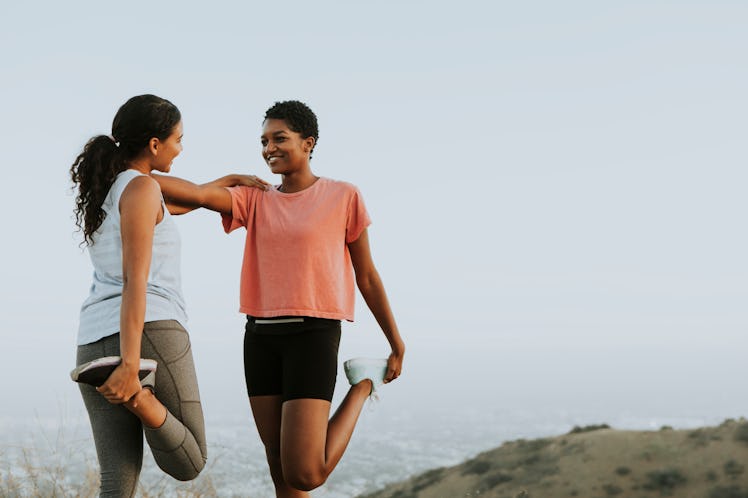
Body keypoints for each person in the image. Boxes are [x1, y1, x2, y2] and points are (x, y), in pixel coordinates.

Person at [155, 100, 406, 497]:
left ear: (309, 143)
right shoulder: (254, 198)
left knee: (306, 473)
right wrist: (228, 178)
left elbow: (368, 276)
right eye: (263, 141)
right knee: (281, 471)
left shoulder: (343, 196)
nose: (269, 147)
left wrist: (396, 342)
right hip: (260, 338)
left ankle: (362, 387)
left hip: (313, 334)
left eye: (279, 138)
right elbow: (172, 195)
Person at [69, 94, 269, 497]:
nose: (182, 147)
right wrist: (129, 367)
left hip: (91, 341)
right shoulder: (142, 189)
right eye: (178, 139)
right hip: (150, 330)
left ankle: (132, 389)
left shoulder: (113, 189)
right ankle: (138, 398)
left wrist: (228, 180)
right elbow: (135, 282)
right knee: (190, 460)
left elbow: (189, 196)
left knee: (117, 479)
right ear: (155, 144)